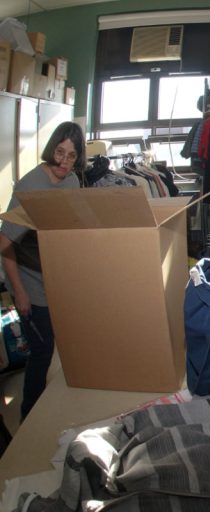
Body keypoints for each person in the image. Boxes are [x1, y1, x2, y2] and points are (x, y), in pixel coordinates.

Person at [0, 121, 86, 420]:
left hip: (53, 275)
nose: (63, 162)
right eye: (59, 152)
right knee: (42, 350)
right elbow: (4, 245)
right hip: (26, 277)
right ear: (51, 149)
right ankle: (29, 416)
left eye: (72, 156)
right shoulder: (31, 186)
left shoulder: (73, 182)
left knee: (61, 342)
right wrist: (20, 293)